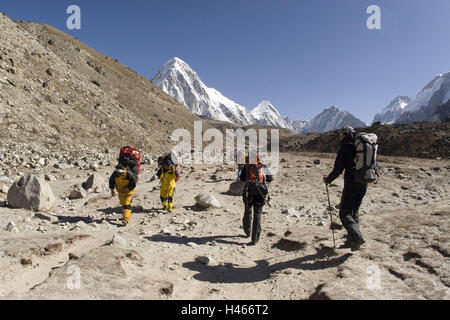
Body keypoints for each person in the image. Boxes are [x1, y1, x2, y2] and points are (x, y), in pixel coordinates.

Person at [323, 126, 366, 250]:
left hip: (352, 184)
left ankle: (357, 237)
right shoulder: (360, 148)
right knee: (354, 212)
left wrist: (328, 180)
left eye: (341, 135)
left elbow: (338, 169)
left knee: (344, 213)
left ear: (345, 134)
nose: (340, 137)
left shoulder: (346, 147)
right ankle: (352, 240)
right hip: (363, 183)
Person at [239, 152, 273, 245]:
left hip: (248, 193)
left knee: (247, 212)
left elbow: (241, 179)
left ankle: (247, 232)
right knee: (257, 216)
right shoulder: (264, 167)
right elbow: (270, 179)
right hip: (260, 194)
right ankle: (255, 239)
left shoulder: (247, 167)